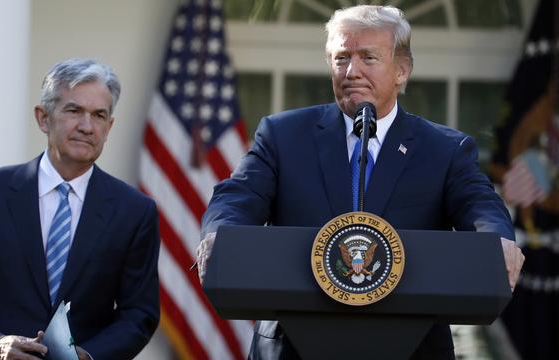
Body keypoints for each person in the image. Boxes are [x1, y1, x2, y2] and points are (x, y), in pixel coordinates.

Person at [196, 5, 525, 360]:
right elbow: (238, 195)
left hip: (411, 346)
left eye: (368, 57)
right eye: (341, 58)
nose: (352, 71)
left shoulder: (444, 149)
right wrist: (220, 231)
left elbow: (480, 204)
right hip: (293, 345)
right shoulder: (283, 135)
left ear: (402, 71)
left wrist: (499, 240)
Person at [0, 58, 160, 360]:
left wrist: (89, 356)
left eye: (99, 115)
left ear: (109, 126)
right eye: (74, 110)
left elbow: (139, 314)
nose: (87, 126)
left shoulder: (134, 212)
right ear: (43, 117)